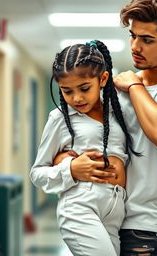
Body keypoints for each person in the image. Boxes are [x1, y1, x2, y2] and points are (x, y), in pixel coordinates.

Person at [53, 0, 157, 255]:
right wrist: (68, 163)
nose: (135, 46)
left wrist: (134, 86)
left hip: (144, 227)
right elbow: (74, 138)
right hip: (99, 217)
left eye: (147, 39)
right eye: (132, 36)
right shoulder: (112, 91)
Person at [30, 40, 141, 256]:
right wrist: (70, 169)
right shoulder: (60, 119)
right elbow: (37, 173)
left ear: (103, 79)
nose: (76, 98)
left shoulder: (118, 111)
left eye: (84, 88)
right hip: (80, 206)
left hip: (116, 209)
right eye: (67, 91)